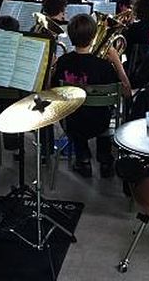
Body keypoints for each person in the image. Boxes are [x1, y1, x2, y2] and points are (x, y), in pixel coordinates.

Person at [52, 14, 121, 178]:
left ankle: (83, 160)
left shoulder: (63, 61)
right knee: (103, 111)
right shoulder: (104, 65)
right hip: (101, 122)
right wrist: (117, 62)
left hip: (71, 122)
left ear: (70, 36)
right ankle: (105, 161)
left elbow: (53, 90)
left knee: (76, 113)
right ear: (93, 37)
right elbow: (123, 90)